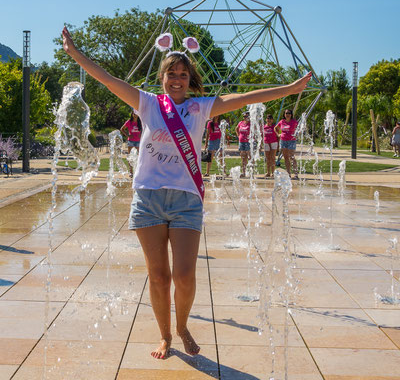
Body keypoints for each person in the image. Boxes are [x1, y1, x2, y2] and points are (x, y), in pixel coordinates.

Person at [62, 26, 311, 360]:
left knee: (184, 275)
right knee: (159, 276)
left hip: (186, 202)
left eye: (182, 74)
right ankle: (165, 336)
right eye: (171, 74)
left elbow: (250, 98)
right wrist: (76, 54)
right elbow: (108, 79)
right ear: (162, 78)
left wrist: (292, 88)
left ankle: (182, 326)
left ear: (190, 79)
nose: (176, 79)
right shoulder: (147, 104)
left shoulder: (202, 108)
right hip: (148, 199)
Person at [274, 109, 298, 179]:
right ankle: (288, 173)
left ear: (291, 114)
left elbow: (300, 128)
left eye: (289, 113)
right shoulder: (282, 122)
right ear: (284, 114)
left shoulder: (294, 122)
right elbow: (275, 128)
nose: (288, 114)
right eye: (286, 113)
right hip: (283, 140)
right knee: (286, 157)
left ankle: (296, 173)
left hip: (291, 141)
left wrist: (297, 133)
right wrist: (278, 134)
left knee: (292, 156)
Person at [120, 109, 142, 176]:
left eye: (136, 114)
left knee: (139, 156)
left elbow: (145, 129)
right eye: (134, 114)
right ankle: (131, 172)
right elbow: (122, 129)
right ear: (132, 114)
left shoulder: (140, 122)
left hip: (138, 141)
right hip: (131, 141)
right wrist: (127, 135)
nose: (135, 115)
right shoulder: (129, 122)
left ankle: (138, 172)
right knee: (130, 157)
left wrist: (141, 134)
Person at [235, 111, 251, 178]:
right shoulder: (240, 123)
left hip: (248, 142)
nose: (245, 118)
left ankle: (250, 172)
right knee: (243, 157)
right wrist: (238, 135)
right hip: (241, 142)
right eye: (244, 116)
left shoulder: (251, 124)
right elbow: (236, 128)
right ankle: (243, 172)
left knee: (249, 157)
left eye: (246, 116)